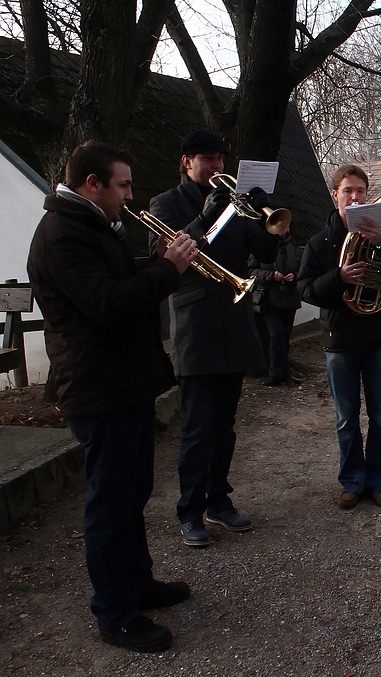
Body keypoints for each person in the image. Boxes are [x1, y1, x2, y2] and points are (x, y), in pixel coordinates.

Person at [27, 141, 198, 652]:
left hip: (123, 382)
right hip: (98, 388)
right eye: (122, 185)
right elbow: (108, 303)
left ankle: (137, 584)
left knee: (132, 494)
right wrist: (168, 269)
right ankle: (116, 614)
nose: (129, 194)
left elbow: (121, 286)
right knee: (110, 504)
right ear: (92, 184)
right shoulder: (62, 234)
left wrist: (158, 266)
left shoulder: (93, 226)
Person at [149, 130, 279, 547]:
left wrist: (263, 217)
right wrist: (206, 215)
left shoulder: (236, 204)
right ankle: (190, 510)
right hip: (197, 327)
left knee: (224, 426)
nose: (217, 166)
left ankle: (219, 501)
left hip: (235, 322)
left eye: (221, 159)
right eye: (208, 159)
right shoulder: (166, 204)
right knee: (197, 427)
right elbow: (163, 255)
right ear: (187, 162)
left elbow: (265, 253)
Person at [298, 164, 381, 510]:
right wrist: (339, 278)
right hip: (340, 341)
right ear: (335, 195)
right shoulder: (319, 242)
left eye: (361, 191)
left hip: (379, 338)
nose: (355, 197)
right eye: (348, 191)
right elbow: (305, 289)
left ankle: (380, 482)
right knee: (346, 419)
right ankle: (352, 481)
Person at [249, 228, 302, 386]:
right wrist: (270, 275)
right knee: (276, 334)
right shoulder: (262, 247)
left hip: (290, 297)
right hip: (270, 298)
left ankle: (284, 371)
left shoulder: (295, 247)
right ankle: (274, 372)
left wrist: (295, 276)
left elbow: (305, 270)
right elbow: (251, 270)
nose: (282, 230)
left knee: (285, 336)